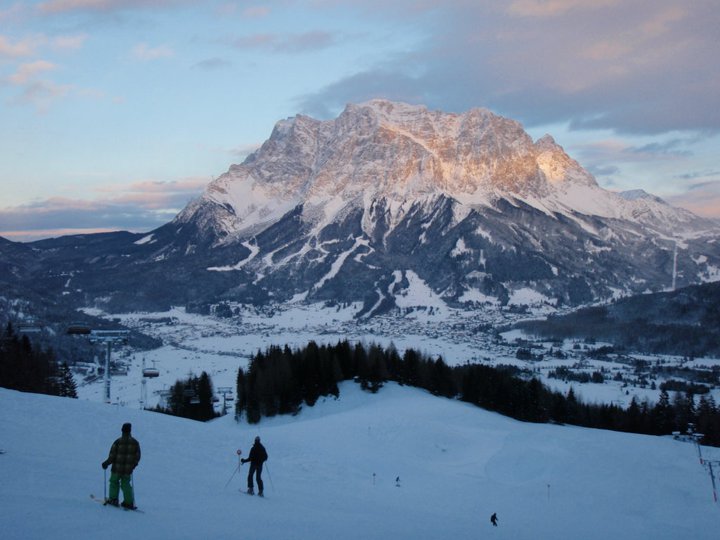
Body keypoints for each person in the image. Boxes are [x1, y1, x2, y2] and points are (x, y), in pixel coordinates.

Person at [101, 423, 141, 509]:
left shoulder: (118, 442)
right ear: (130, 430)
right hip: (127, 469)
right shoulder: (135, 443)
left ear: (122, 430)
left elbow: (112, 456)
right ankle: (128, 502)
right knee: (125, 484)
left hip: (116, 468)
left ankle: (113, 499)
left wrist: (106, 463)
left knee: (114, 482)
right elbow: (137, 457)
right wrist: (133, 466)